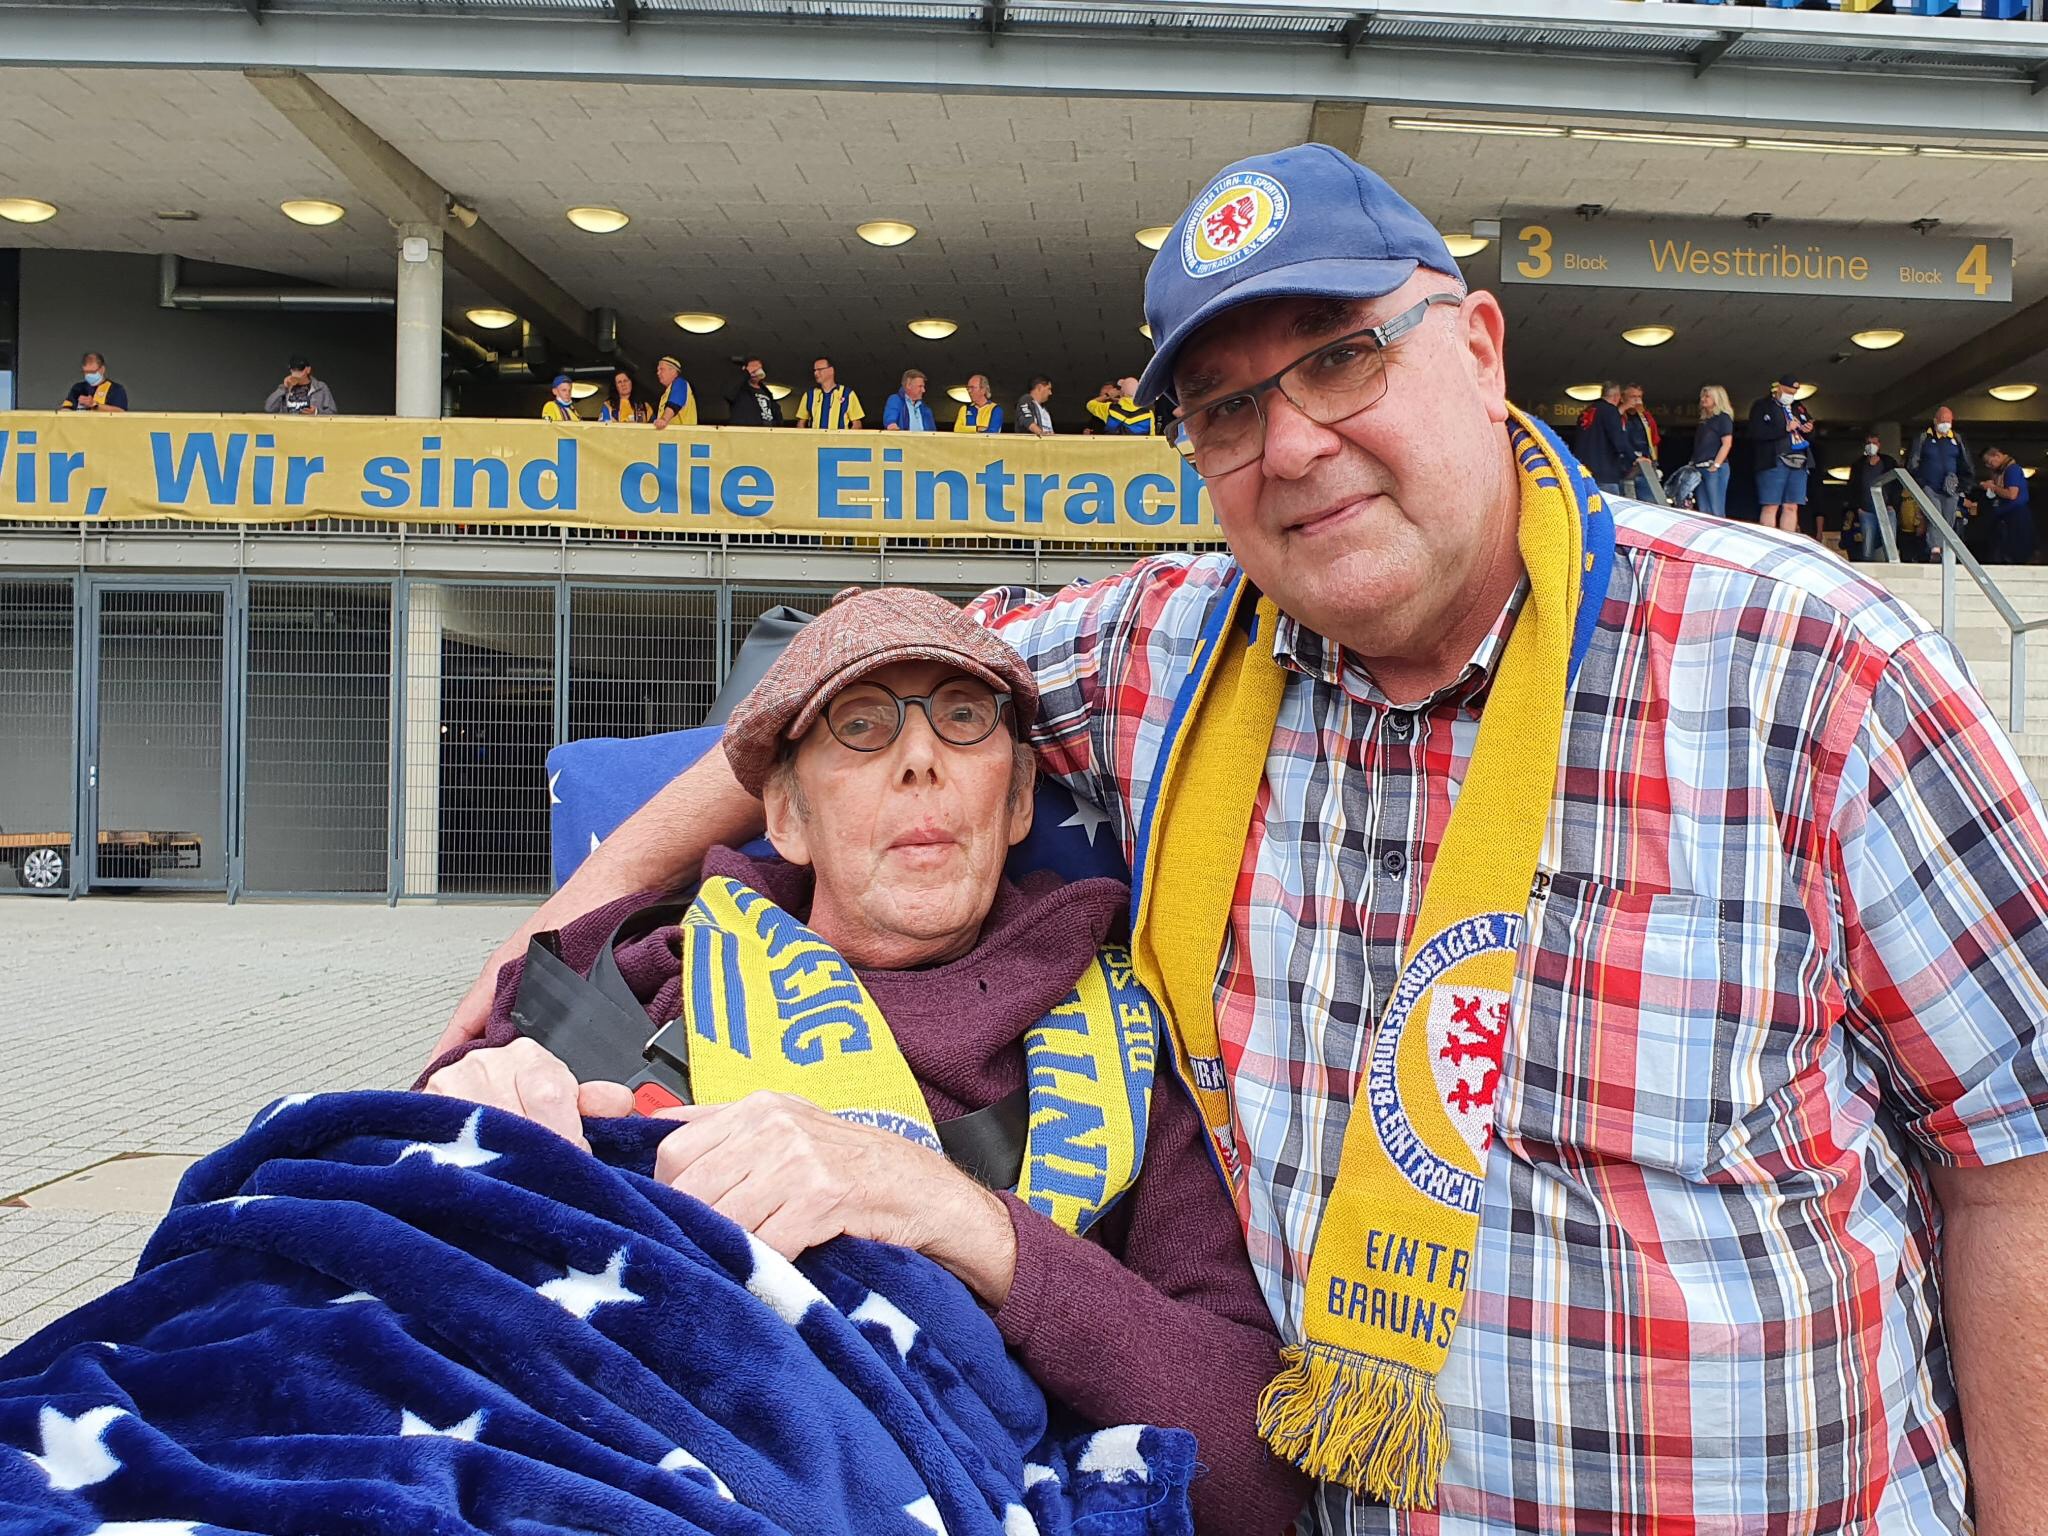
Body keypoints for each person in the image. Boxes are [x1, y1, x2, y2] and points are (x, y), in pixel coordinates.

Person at [442, 142, 2048, 1535]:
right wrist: (560, 923)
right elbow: (847, 699)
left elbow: (2017, 1172)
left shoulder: (1811, 669)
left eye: (1345, 357)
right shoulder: (1165, 652)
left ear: (1480, 348)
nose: (1290, 446)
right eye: (1225, 408)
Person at [423, 588, 1305, 1534]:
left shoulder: (1138, 1042)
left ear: (1014, 803)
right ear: (787, 819)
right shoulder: (637, 974)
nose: (920, 758)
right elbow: (386, 1241)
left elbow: (1255, 1470)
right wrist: (457, 1119)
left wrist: (951, 1215)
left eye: (963, 719)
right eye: (861, 725)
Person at [1749, 374, 1812, 534]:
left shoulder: (1798, 406)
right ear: (1778, 388)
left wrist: (1808, 428)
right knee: (1771, 505)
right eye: (1788, 391)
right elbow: (1756, 432)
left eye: (1793, 392)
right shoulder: (1762, 406)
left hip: (1799, 460)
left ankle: (1788, 544)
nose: (1790, 396)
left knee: (1791, 506)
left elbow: (1809, 424)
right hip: (1773, 460)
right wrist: (1784, 429)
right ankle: (1769, 543)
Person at [1908, 406, 1974, 558]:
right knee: (1934, 515)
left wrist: (1964, 484)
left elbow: (1966, 463)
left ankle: (1945, 548)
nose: (1946, 424)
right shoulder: (1924, 438)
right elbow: (1913, 462)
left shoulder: (1957, 439)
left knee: (1949, 517)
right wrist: (1921, 482)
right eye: (1943, 421)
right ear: (1935, 421)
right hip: (1930, 486)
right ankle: (1935, 549)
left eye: (1949, 421)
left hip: (1952, 487)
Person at [1847, 429, 1900, 561]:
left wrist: (1893, 504)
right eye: (1868, 443)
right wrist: (1858, 508)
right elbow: (1852, 488)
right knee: (1867, 549)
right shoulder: (1859, 465)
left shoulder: (1888, 462)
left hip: (1887, 509)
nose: (1871, 445)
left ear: (1879, 444)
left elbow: (1897, 485)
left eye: (1874, 442)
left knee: (1890, 545)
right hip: (1866, 511)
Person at [1572, 381, 1632, 495]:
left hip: (1583, 472)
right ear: (1615, 396)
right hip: (1605, 473)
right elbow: (1618, 440)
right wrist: (1634, 457)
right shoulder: (1610, 411)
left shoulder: (1586, 412)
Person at [1978, 445, 2034, 564]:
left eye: (1989, 462)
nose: (1988, 466)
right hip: (2004, 516)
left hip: (2015, 516)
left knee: (2014, 550)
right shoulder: (1999, 473)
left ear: (1997, 456)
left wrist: (1993, 487)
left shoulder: (2012, 469)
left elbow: (2011, 494)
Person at [1688, 384, 1734, 517]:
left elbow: (1727, 444)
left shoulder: (1723, 418)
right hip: (1699, 467)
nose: (1703, 399)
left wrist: (1716, 465)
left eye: (1707, 396)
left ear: (1717, 399)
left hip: (1713, 468)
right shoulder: (1704, 421)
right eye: (1702, 396)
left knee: (1716, 508)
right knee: (1703, 508)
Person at [1618, 382, 1659, 501]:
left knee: (1650, 501)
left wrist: (1655, 462)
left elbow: (1654, 440)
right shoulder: (1618, 415)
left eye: (1639, 397)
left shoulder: (1646, 417)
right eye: (1633, 397)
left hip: (1645, 464)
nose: (1637, 400)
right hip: (1624, 466)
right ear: (1623, 398)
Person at [797, 357, 863, 430]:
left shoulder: (848, 394)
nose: (816, 373)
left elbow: (857, 424)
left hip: (840, 441)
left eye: (819, 370)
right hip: (815, 441)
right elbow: (801, 423)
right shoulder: (809, 395)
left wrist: (846, 440)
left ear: (831, 370)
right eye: (814, 370)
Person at [264, 355, 338, 415]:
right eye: (294, 370)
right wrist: (283, 388)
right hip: (289, 429)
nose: (296, 373)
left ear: (308, 370)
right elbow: (269, 408)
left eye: (300, 370)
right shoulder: (285, 387)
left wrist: (316, 412)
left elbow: (333, 412)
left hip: (312, 429)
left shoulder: (320, 387)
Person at [57, 351, 127, 413]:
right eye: (86, 372)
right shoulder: (78, 388)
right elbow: (66, 408)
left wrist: (94, 405)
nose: (88, 375)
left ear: (102, 369)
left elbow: (121, 412)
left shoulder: (116, 389)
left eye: (92, 372)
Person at [1084, 377, 1155, 435]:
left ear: (1121, 393)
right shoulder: (1148, 414)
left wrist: (1107, 395)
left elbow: (1090, 404)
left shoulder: (1109, 409)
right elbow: (1152, 438)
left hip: (1113, 450)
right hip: (1138, 451)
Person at [727, 356, 783, 427]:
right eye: (752, 369)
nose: (754, 371)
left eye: (757, 369)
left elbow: (776, 413)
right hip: (747, 432)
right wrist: (746, 372)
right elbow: (728, 394)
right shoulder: (740, 389)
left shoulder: (766, 391)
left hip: (768, 432)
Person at [652, 356, 697, 429]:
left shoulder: (680, 383)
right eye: (658, 370)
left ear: (673, 371)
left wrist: (664, 419)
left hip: (682, 437)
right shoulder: (667, 393)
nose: (658, 373)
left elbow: (674, 404)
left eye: (661, 369)